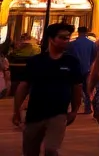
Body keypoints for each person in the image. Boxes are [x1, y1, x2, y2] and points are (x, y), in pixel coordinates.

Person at [11, 22, 82, 156]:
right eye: (62, 37)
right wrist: (16, 110)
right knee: (30, 151)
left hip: (58, 113)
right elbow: (23, 86)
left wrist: (74, 110)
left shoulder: (71, 62)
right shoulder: (36, 61)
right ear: (51, 39)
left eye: (68, 38)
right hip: (34, 114)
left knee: (51, 148)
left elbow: (76, 86)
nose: (66, 41)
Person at [68, 27, 97, 115]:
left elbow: (69, 56)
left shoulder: (73, 44)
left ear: (78, 32)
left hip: (75, 69)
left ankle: (74, 108)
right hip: (87, 68)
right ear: (87, 32)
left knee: (73, 88)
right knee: (86, 88)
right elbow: (94, 56)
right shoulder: (92, 44)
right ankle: (87, 108)